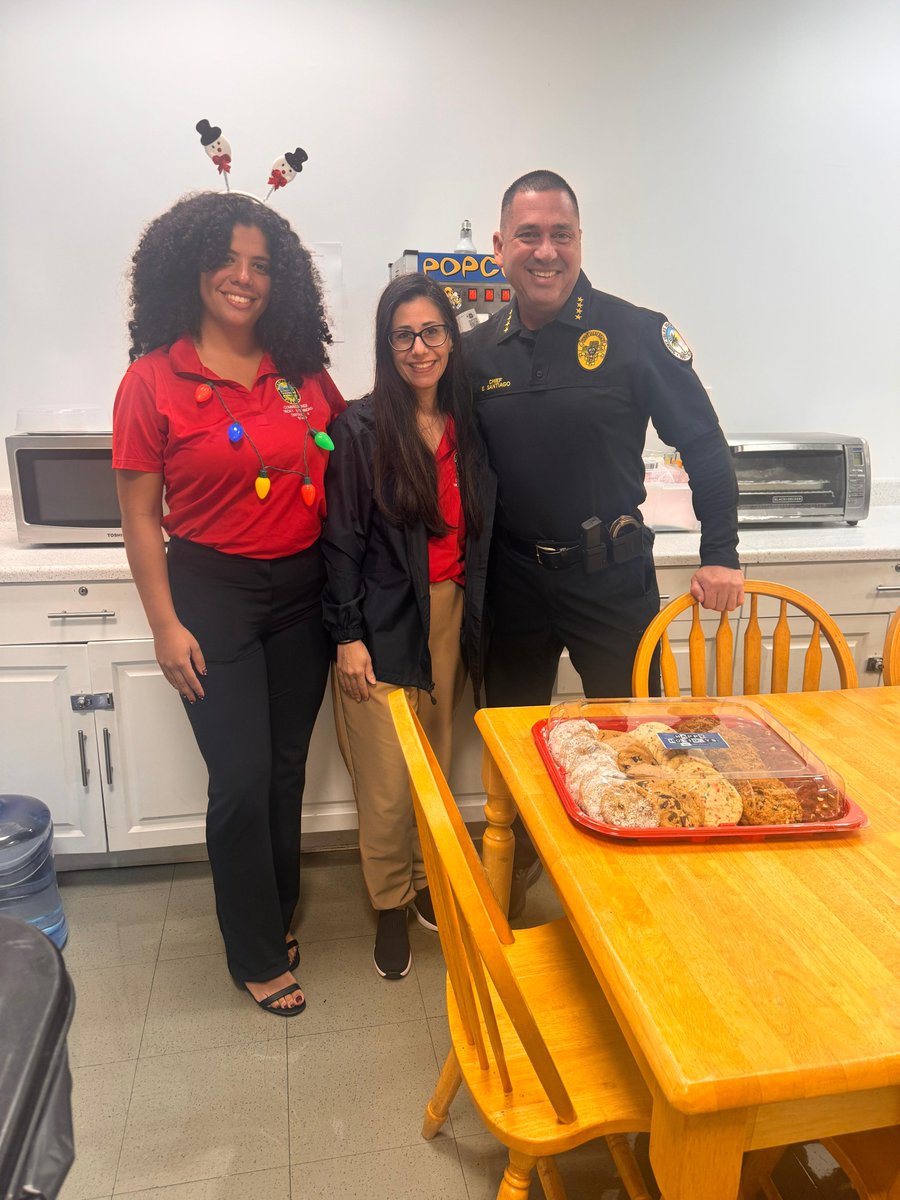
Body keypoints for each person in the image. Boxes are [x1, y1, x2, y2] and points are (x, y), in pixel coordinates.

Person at [464, 169, 744, 914]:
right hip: (515, 582)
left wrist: (722, 552)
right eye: (529, 235)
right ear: (500, 247)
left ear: (580, 241)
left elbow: (705, 447)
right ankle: (514, 867)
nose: (546, 251)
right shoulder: (476, 352)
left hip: (611, 578)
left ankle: (645, 891)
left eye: (561, 234)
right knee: (514, 741)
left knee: (639, 740)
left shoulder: (635, 332)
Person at [113, 191, 345, 1015]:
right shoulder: (152, 381)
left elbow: (348, 461)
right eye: (229, 261)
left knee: (284, 771)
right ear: (193, 268)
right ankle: (252, 951)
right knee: (241, 777)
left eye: (261, 265)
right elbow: (140, 516)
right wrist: (164, 624)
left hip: (303, 590)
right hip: (210, 592)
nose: (245, 278)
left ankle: (275, 909)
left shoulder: (303, 375)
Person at [321, 274, 495, 979]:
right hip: (383, 621)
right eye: (404, 335)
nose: (419, 348)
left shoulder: (470, 425)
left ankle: (425, 881)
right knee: (389, 784)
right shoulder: (358, 431)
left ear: (451, 339)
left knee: (438, 764)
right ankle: (389, 906)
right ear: (385, 344)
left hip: (451, 613)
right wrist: (347, 635)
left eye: (432, 332)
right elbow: (338, 542)